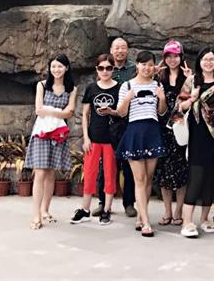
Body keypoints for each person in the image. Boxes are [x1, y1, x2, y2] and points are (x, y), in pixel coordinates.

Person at [116, 51, 168, 237]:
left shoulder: (157, 85)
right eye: (143, 64)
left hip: (152, 131)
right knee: (140, 179)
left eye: (150, 64)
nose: (147, 68)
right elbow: (121, 113)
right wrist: (127, 99)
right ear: (137, 65)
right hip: (135, 132)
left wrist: (162, 98)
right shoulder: (127, 85)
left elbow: (161, 112)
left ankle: (140, 215)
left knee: (148, 178)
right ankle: (146, 222)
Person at [178, 46, 214, 238]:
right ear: (199, 62)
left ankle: (205, 218)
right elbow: (179, 107)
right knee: (196, 177)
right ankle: (187, 221)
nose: (208, 62)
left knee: (210, 177)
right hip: (197, 135)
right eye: (205, 59)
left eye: (212, 59)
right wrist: (192, 98)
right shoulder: (192, 81)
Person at [26, 54, 77, 230]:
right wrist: (59, 112)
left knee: (50, 173)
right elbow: (38, 110)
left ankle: (45, 210)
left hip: (58, 134)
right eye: (53, 66)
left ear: (66, 68)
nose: (56, 70)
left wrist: (50, 111)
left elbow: (70, 111)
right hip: (41, 133)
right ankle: (36, 215)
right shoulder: (42, 85)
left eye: (60, 66)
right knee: (40, 173)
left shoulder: (71, 89)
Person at [71, 54, 120, 225]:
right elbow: (85, 115)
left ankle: (106, 209)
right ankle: (85, 209)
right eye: (101, 68)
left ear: (113, 69)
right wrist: (86, 138)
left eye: (108, 68)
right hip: (93, 138)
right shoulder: (91, 88)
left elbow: (123, 113)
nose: (105, 71)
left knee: (110, 174)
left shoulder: (119, 88)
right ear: (96, 69)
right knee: (90, 172)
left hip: (111, 139)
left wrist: (111, 112)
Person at [95, 37, 136, 218]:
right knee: (106, 166)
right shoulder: (105, 68)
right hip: (107, 124)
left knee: (128, 165)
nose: (120, 51)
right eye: (116, 48)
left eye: (123, 47)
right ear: (111, 50)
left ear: (127, 50)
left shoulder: (134, 69)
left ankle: (129, 203)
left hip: (128, 122)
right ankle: (103, 201)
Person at [155, 40, 191, 226]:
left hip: (181, 129)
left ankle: (179, 211)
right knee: (164, 172)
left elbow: (192, 101)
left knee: (181, 171)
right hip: (163, 130)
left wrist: (189, 80)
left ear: (181, 57)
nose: (172, 59)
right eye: (168, 56)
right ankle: (167, 211)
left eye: (175, 56)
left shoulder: (187, 78)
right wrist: (153, 75)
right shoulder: (159, 78)